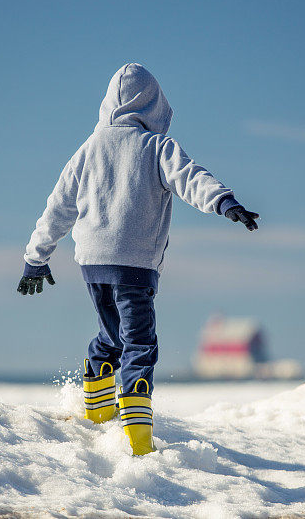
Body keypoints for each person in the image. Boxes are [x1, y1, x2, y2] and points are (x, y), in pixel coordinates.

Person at [18, 63, 259, 455]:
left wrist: (36, 256)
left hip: (93, 261)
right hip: (134, 262)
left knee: (113, 334)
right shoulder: (157, 148)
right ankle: (138, 439)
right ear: (155, 106)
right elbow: (190, 177)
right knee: (139, 342)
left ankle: (96, 404)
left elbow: (58, 205)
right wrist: (224, 202)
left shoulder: (88, 149)